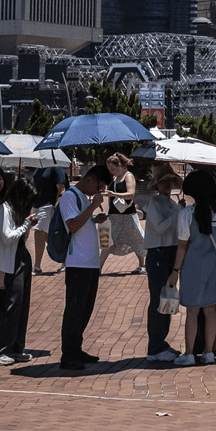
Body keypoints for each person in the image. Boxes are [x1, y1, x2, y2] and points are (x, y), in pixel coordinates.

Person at [170, 168, 216, 366]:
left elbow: (182, 245)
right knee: (211, 310)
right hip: (211, 266)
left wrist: (175, 271)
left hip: (191, 267)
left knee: (192, 312)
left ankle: (188, 354)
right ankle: (209, 353)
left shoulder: (186, 214)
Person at [55, 164, 109, 370]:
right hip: (77, 263)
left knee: (85, 309)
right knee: (75, 310)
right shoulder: (70, 196)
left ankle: (76, 348)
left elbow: (81, 222)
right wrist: (93, 207)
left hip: (90, 263)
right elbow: (72, 225)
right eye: (99, 186)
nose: (99, 192)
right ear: (89, 180)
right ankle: (68, 354)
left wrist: (94, 219)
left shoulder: (84, 197)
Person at [139, 170, 188, 363]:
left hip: (170, 253)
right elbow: (160, 228)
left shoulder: (172, 203)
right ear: (156, 185)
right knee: (158, 299)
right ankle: (155, 346)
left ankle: (161, 342)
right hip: (158, 253)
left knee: (168, 298)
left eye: (170, 181)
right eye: (163, 181)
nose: (167, 184)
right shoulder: (154, 204)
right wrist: (178, 212)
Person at [0, 178, 37, 365]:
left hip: (21, 257)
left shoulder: (17, 212)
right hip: (7, 262)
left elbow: (21, 238)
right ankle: (0, 350)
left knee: (21, 305)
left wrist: (28, 224)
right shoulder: (4, 210)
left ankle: (17, 347)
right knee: (9, 305)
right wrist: (25, 224)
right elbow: (8, 237)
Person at [101, 152, 144, 267]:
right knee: (108, 241)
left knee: (137, 240)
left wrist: (113, 194)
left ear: (119, 165)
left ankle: (142, 264)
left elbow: (131, 194)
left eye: (113, 168)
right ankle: (98, 268)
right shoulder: (115, 178)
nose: (110, 170)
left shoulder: (128, 176)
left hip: (128, 216)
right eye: (109, 168)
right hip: (114, 215)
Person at [31, 166, 63, 275]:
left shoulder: (56, 168)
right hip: (37, 205)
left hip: (48, 205)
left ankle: (37, 266)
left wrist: (56, 207)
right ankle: (64, 255)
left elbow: (61, 189)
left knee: (39, 232)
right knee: (46, 236)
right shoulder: (37, 168)